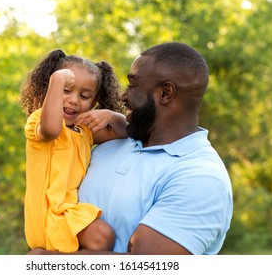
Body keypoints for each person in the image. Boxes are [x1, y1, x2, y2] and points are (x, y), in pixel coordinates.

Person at [28, 42, 233, 255]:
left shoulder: (200, 177)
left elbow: (148, 265)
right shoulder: (109, 144)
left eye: (133, 86)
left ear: (165, 93)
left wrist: (48, 260)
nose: (123, 97)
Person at [18, 49, 128, 253]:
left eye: (84, 96)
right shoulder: (39, 121)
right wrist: (57, 80)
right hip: (49, 216)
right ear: (49, 90)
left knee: (104, 238)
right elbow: (51, 129)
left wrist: (112, 116)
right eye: (65, 91)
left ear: (93, 102)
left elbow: (124, 132)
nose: (73, 100)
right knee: (102, 236)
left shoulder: (84, 131)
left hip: (68, 214)